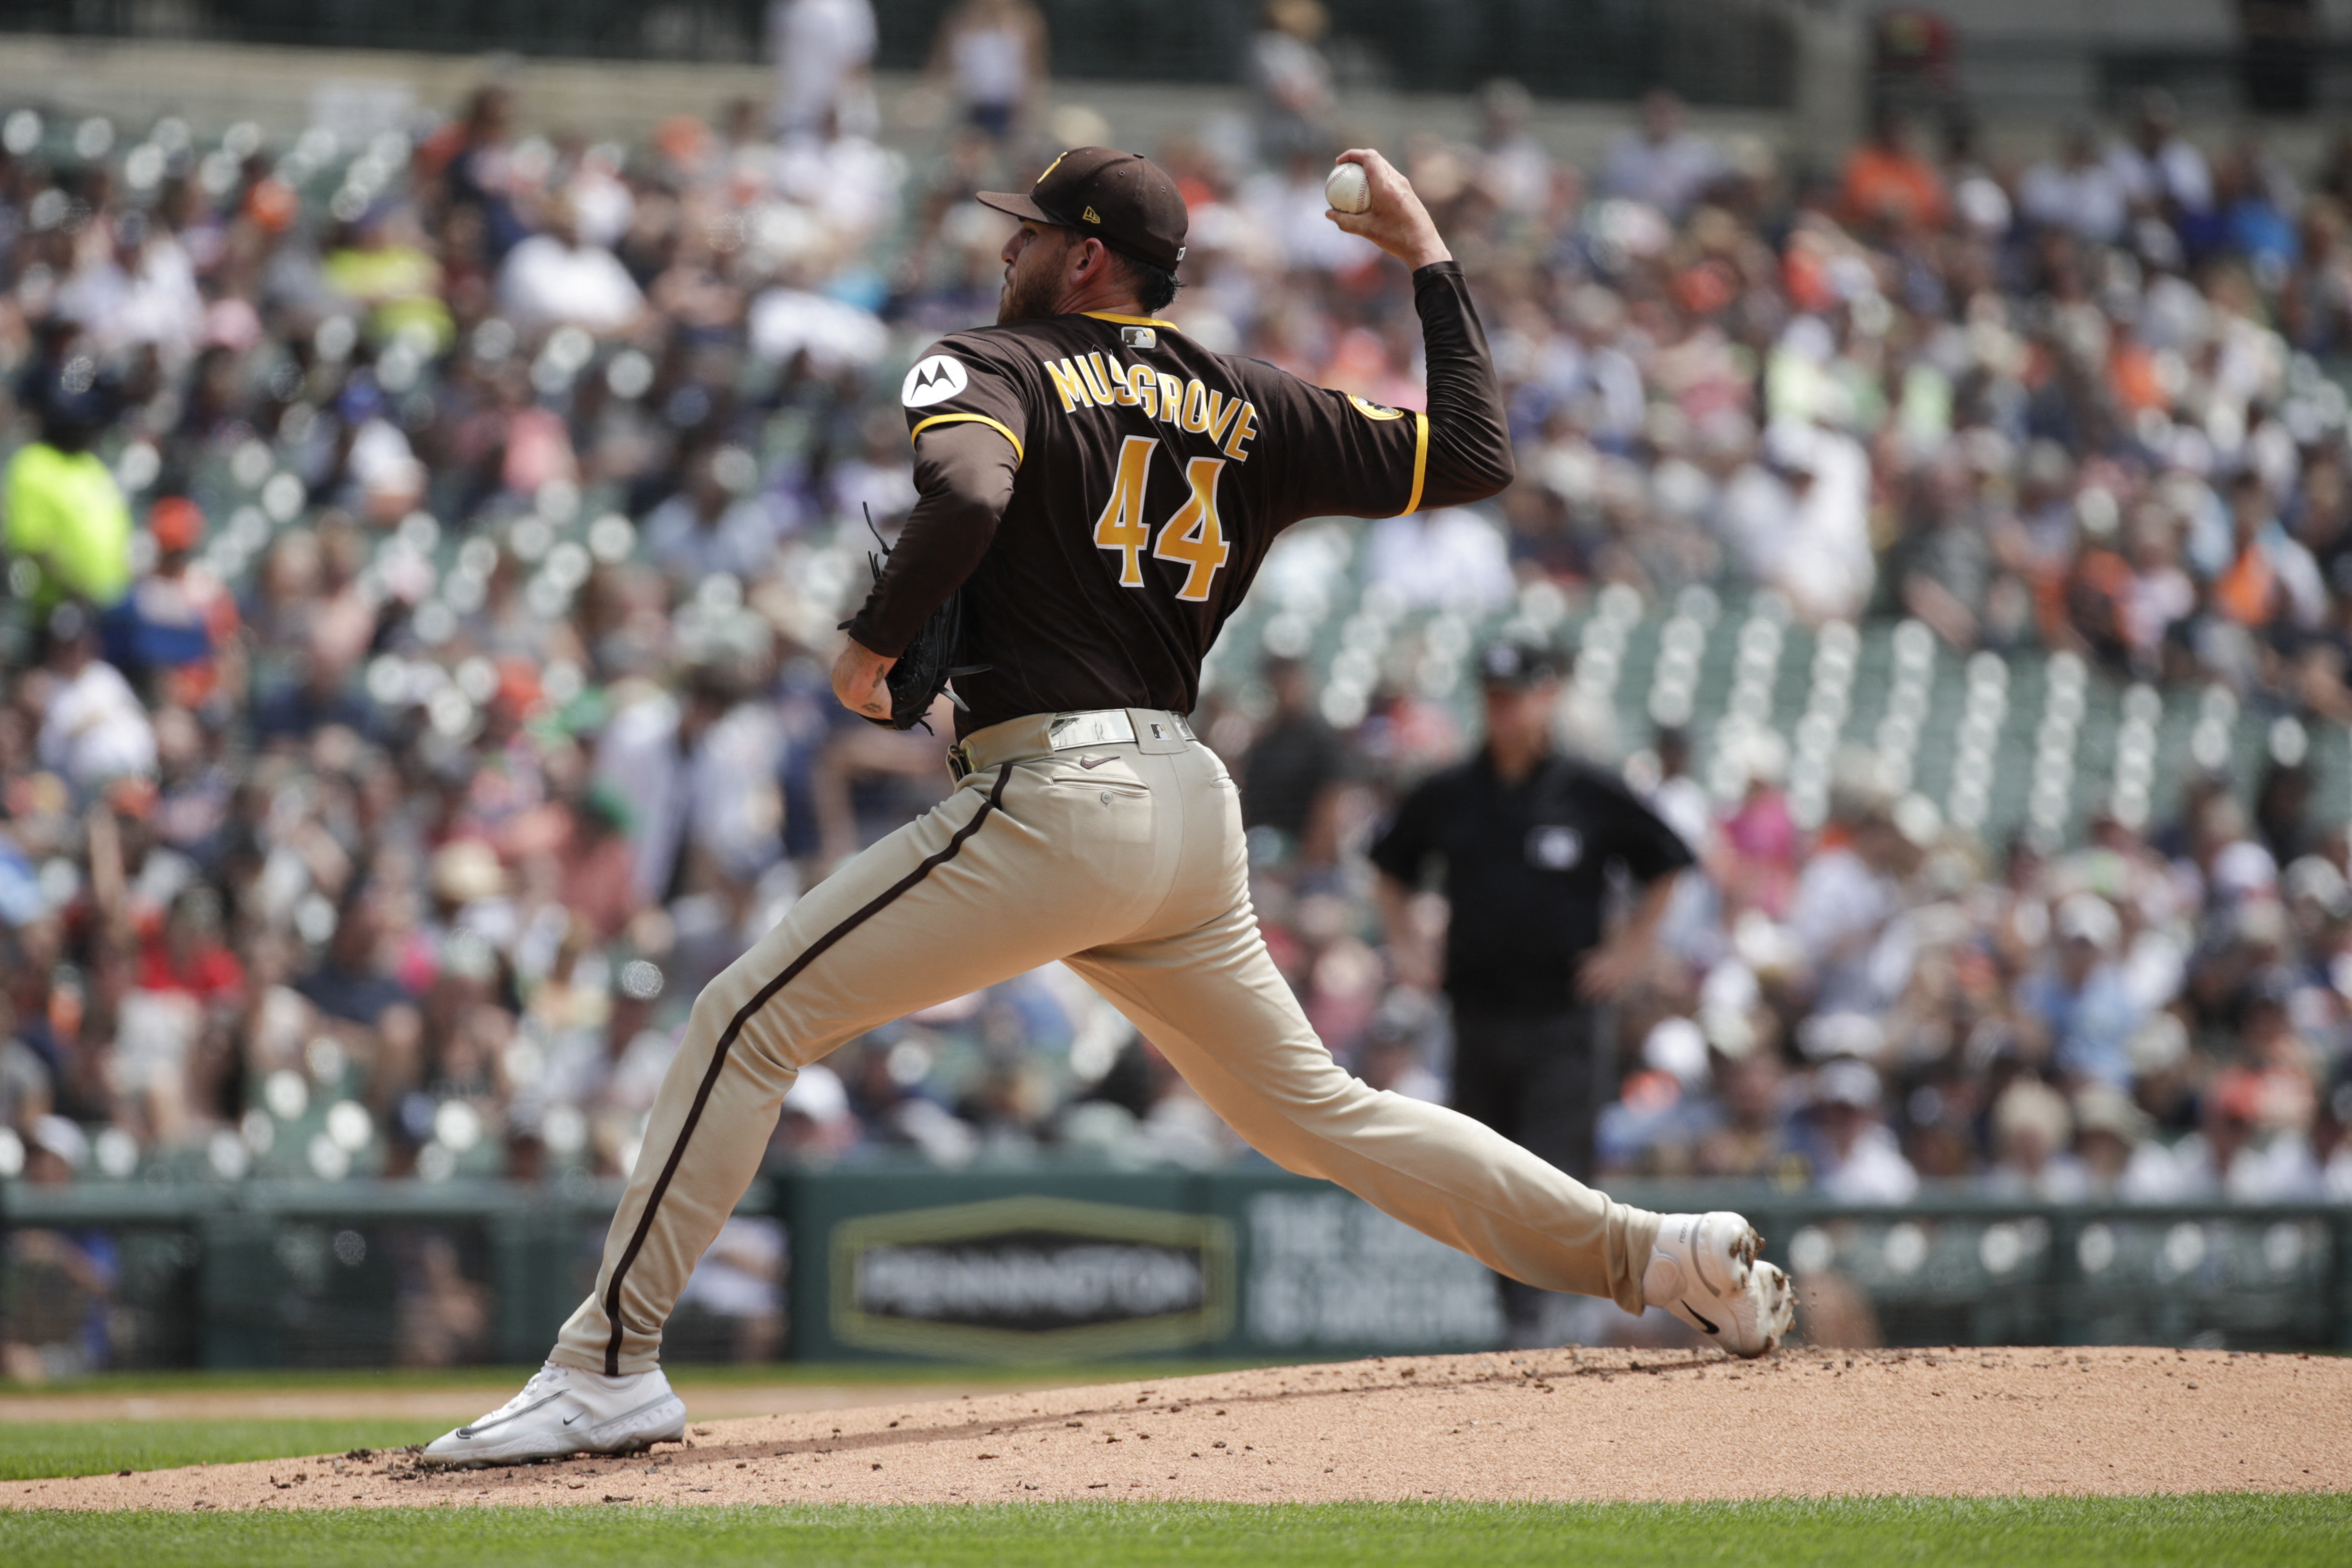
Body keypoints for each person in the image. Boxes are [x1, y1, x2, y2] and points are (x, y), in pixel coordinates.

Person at [423, 143, 1790, 1467]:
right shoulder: (1253, 397)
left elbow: (962, 486)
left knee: (743, 1019)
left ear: (1083, 259)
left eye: (1025, 231)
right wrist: (1427, 258)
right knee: (1325, 1110)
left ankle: (605, 1367)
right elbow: (1478, 454)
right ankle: (1657, 1254)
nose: (1003, 247)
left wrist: (869, 640)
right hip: (1184, 813)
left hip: (1054, 796)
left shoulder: (988, 360)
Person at [1368, 639, 1695, 1344]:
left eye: (1514, 695)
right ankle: (1517, 1320)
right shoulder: (1451, 790)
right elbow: (1389, 865)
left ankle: (1551, 1313)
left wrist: (1628, 953)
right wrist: (1407, 947)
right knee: (1487, 1172)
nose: (1502, 709)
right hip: (1476, 1011)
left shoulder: (1587, 789)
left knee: (1551, 1171)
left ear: (1546, 696)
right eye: (1491, 695)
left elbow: (1667, 862)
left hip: (1561, 1018)